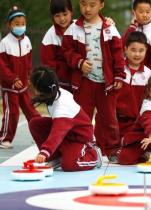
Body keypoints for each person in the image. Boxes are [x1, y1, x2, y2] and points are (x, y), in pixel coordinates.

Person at [61, 0, 125, 161]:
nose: (87, 9)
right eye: (83, 4)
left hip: (106, 84)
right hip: (84, 83)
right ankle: (80, 147)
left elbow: (118, 54)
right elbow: (67, 51)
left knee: (109, 119)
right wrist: (79, 62)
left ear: (101, 5)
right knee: (82, 118)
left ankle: (112, 150)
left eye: (92, 4)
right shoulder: (74, 28)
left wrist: (118, 75)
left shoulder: (110, 28)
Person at [28, 67, 102, 172]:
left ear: (41, 89)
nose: (31, 87)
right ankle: (56, 157)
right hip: (68, 134)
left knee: (69, 165)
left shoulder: (62, 107)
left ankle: (94, 156)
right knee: (36, 124)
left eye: (33, 85)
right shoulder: (53, 93)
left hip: (80, 139)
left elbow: (57, 133)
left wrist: (45, 151)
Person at [0, 6, 40, 149]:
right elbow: (2, 66)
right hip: (10, 87)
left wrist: (29, 76)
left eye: (23, 23)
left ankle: (40, 133)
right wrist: (13, 79)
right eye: (17, 24)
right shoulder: (4, 43)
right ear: (9, 25)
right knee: (12, 113)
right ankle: (5, 138)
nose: (20, 26)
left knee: (31, 110)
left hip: (23, 85)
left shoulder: (27, 40)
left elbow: (28, 61)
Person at [117, 31, 151, 138]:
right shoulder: (118, 69)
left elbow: (148, 101)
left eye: (141, 50)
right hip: (115, 120)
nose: (137, 54)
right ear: (125, 49)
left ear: (146, 50)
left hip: (136, 122)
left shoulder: (147, 73)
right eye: (133, 50)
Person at [40, 0, 74, 92]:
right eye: (57, 16)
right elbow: (48, 67)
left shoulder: (80, 27)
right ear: (52, 17)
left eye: (65, 14)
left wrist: (107, 21)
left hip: (80, 82)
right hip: (61, 85)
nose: (62, 19)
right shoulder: (49, 37)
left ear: (71, 12)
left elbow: (96, 25)